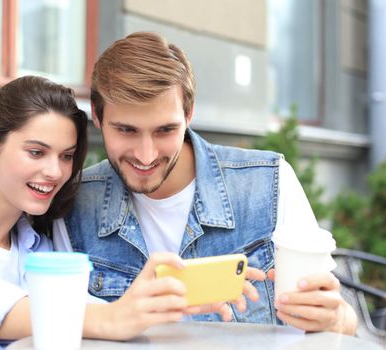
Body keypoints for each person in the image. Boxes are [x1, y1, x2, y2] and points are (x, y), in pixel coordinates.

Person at [0, 75, 231, 349]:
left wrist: (172, 300)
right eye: (36, 152)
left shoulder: (37, 251)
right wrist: (109, 318)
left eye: (67, 156)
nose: (55, 172)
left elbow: (93, 315)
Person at [53, 32, 358, 335]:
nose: (146, 155)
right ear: (96, 116)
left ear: (188, 114)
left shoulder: (268, 182)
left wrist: (335, 320)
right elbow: (60, 327)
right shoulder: (75, 204)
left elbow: (341, 318)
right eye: (126, 130)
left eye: (164, 130)